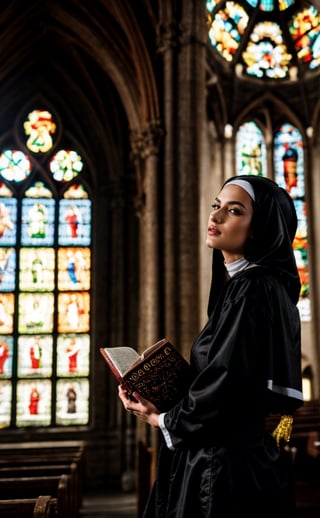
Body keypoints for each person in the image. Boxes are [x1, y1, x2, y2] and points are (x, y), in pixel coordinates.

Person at [118, 175, 304, 518]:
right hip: (232, 460)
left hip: (223, 469)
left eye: (233, 211)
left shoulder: (252, 288)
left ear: (261, 226)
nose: (215, 217)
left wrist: (161, 419)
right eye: (216, 206)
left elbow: (227, 380)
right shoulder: (255, 286)